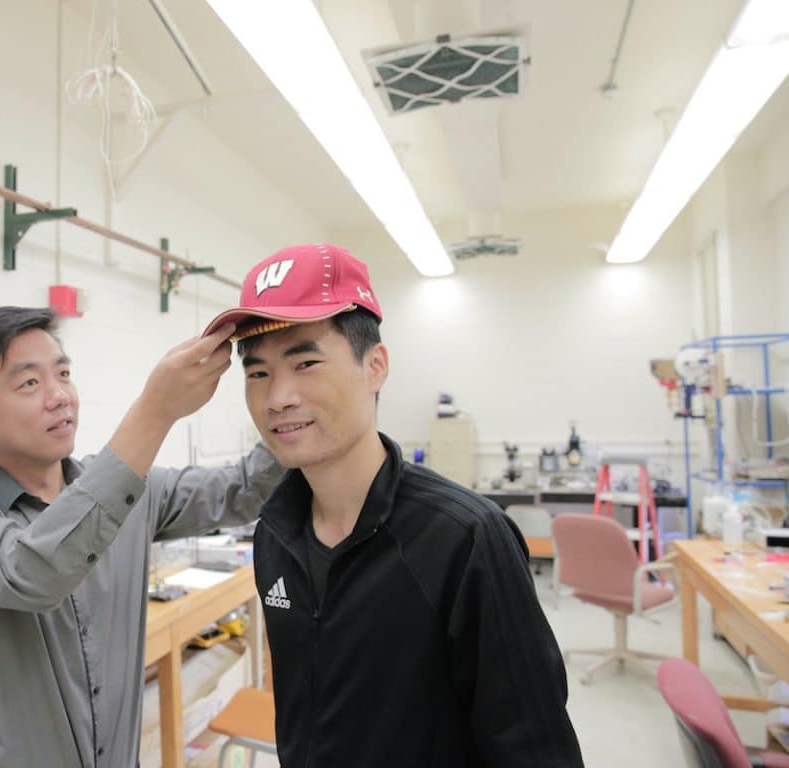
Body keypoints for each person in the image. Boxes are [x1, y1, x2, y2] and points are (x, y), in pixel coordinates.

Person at [203, 244, 583, 767]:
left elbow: (537, 752)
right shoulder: (275, 534)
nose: (278, 397)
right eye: (258, 373)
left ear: (375, 366)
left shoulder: (465, 539)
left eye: (306, 362)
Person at [0, 306, 281, 768]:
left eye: (63, 373)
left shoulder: (133, 493)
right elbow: (35, 570)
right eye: (29, 383)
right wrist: (155, 411)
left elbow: (246, 488)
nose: (59, 396)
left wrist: (297, 395)